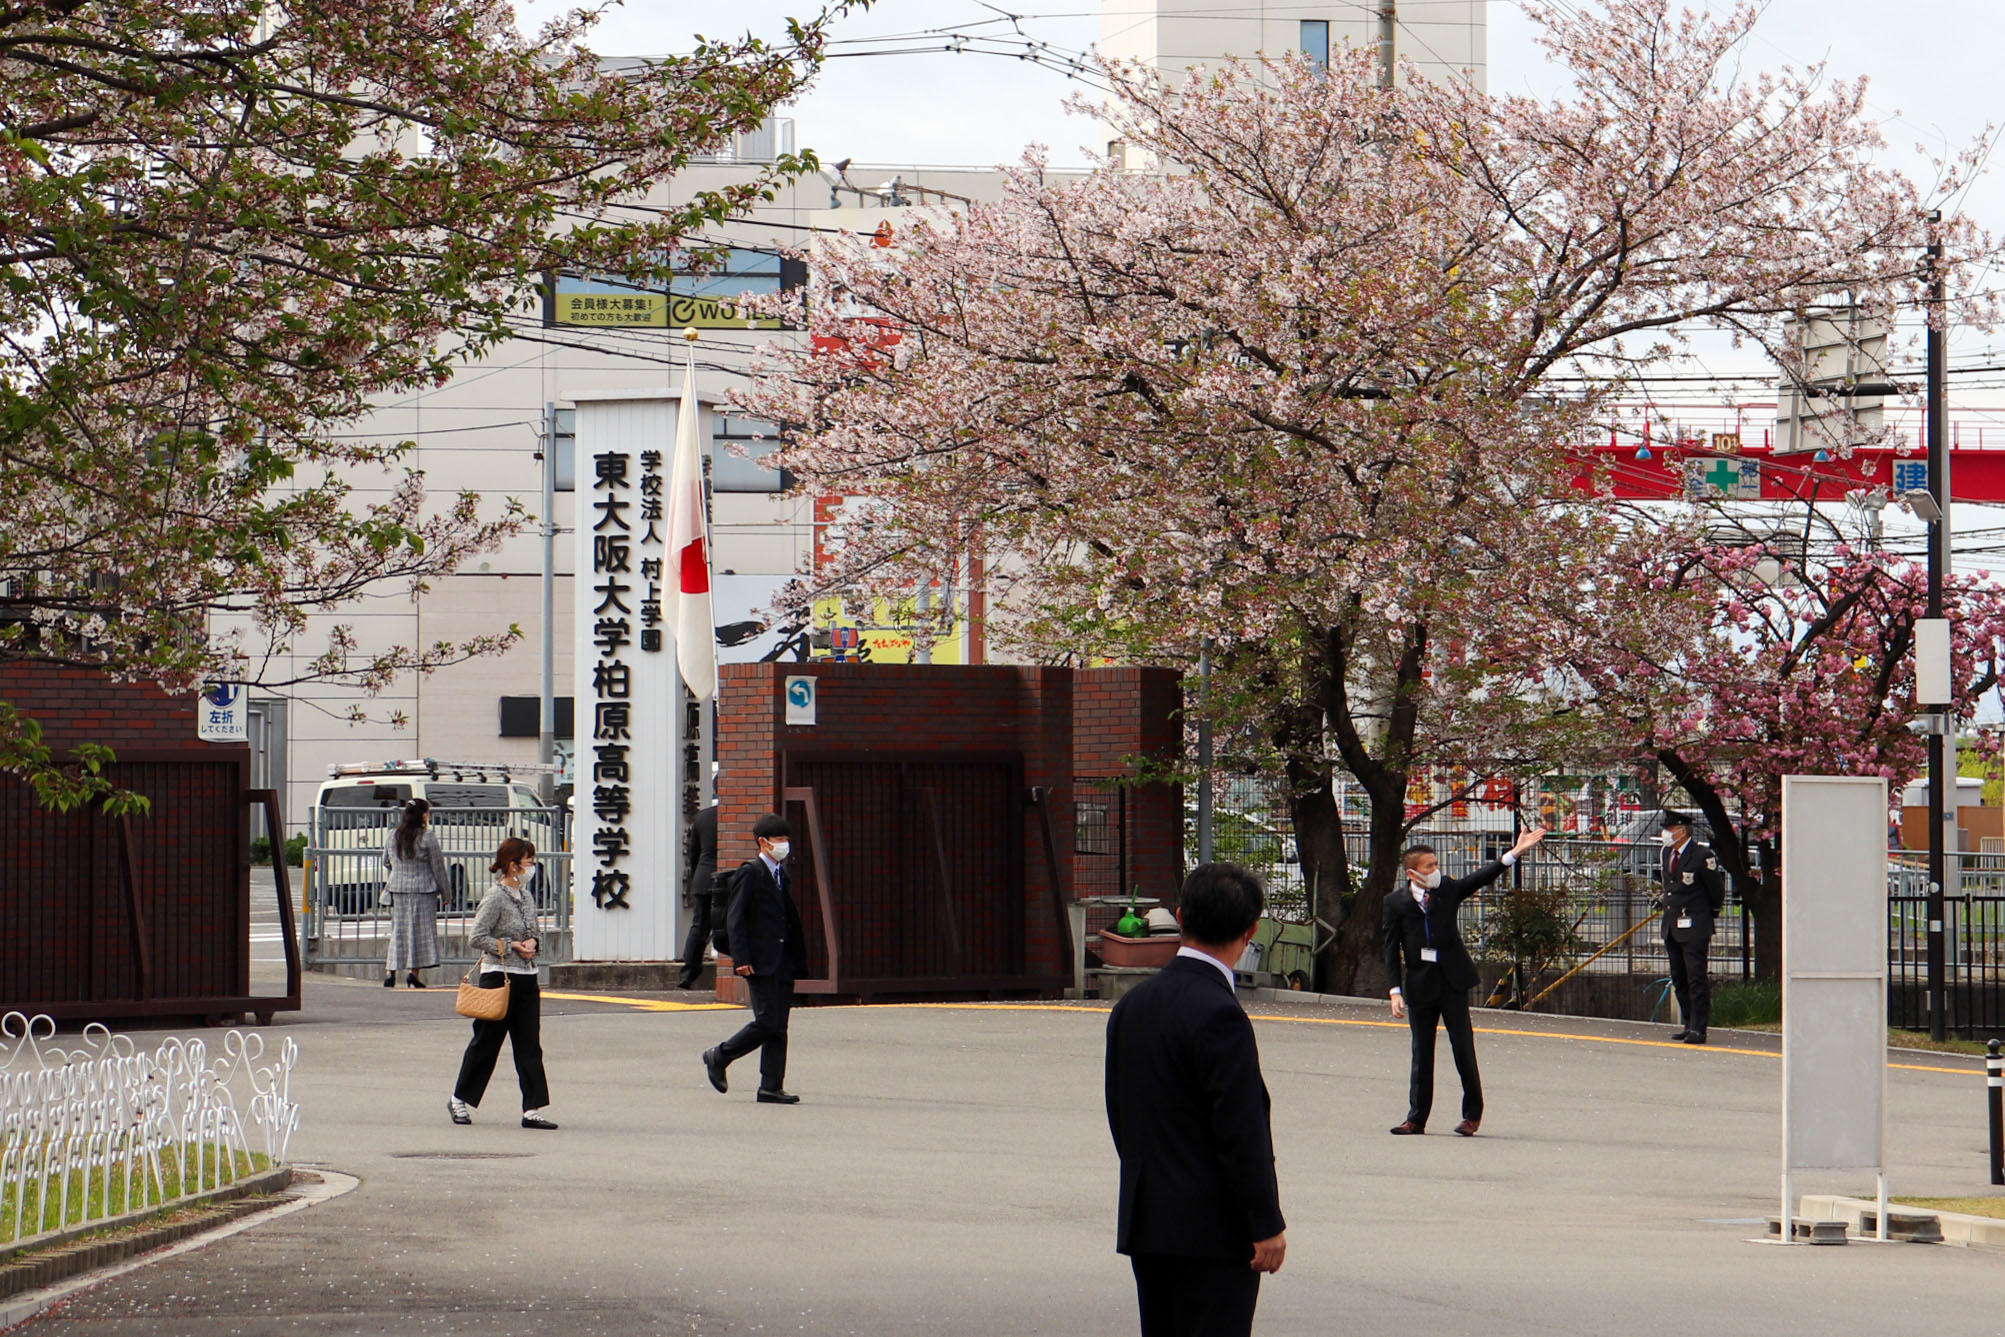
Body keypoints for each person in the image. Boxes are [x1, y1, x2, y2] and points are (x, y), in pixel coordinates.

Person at [1105, 861, 1285, 1337]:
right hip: (1213, 1230)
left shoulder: (1132, 1005)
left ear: (1180, 918)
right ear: (1250, 930)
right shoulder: (1220, 1013)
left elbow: (1120, 1113)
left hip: (1149, 1219)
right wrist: (1265, 1222)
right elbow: (1241, 1129)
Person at [1384, 826, 1547, 1136]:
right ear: (1411, 873)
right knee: (1421, 1053)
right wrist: (1395, 990)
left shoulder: (1446, 889)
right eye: (1428, 866)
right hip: (1420, 984)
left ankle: (1471, 1115)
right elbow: (1390, 950)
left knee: (1463, 1048)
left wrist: (1514, 853)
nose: (1435, 870)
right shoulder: (1395, 903)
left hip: (1452, 980)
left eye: (1435, 864)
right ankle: (1416, 1118)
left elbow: (1480, 878)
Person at [449, 837, 557, 1129]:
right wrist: (511, 946)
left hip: (527, 977)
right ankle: (459, 1099)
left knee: (529, 1045)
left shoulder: (526, 895)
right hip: (498, 976)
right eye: (529, 862)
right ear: (513, 865)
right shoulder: (495, 896)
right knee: (486, 1042)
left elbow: (535, 931)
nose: (532, 867)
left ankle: (532, 1108)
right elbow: (477, 937)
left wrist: (534, 942)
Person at [702, 814, 806, 1104]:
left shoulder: (781, 874)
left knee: (779, 1024)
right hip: (758, 960)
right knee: (767, 1021)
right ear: (763, 842)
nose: (784, 844)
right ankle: (719, 1055)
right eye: (779, 839)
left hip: (781, 959)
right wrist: (741, 958)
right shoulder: (751, 872)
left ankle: (771, 1085)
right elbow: (736, 918)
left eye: (786, 839)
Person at [1657, 810, 1726, 1045]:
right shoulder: (1667, 852)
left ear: (1682, 831)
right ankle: (1688, 1023)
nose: (1665, 834)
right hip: (1672, 924)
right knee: (1679, 976)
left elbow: (1715, 890)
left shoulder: (1701, 855)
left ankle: (1699, 1027)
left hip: (1695, 924)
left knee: (1696, 976)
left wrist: (1710, 913)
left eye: (1669, 829)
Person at [382, 798, 448, 988]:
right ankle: (413, 973)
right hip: (423, 889)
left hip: (398, 888)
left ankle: (390, 972)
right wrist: (446, 893)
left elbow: (386, 861)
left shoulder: (392, 835)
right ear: (424, 814)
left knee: (399, 931)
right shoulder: (427, 837)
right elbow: (438, 867)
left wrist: (399, 871)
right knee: (420, 932)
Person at [676, 798, 720, 990]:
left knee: (699, 926)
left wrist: (696, 876)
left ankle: (688, 975)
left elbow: (693, 853)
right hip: (726, 879)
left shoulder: (703, 817)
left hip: (703, 877)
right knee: (733, 924)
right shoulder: (730, 816)